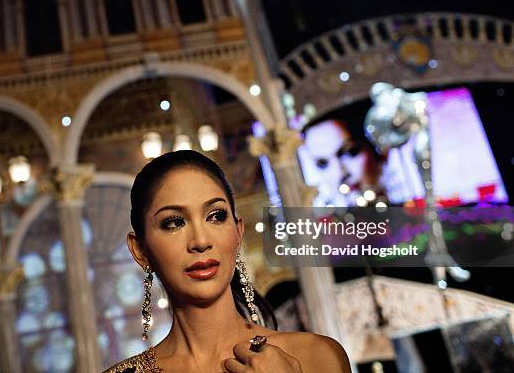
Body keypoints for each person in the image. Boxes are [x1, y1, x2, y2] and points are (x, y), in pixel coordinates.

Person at [105, 150, 351, 372]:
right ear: (140, 250)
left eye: (216, 216)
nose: (200, 241)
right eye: (174, 222)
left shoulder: (317, 358)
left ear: (238, 231)